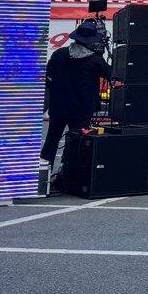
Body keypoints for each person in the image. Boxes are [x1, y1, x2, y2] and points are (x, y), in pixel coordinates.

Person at [40, 21, 111, 177]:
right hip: (81, 109)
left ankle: (43, 178)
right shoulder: (94, 60)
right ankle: (69, 176)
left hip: (58, 107)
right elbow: (110, 74)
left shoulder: (59, 54)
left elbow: (48, 76)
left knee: (51, 141)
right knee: (76, 143)